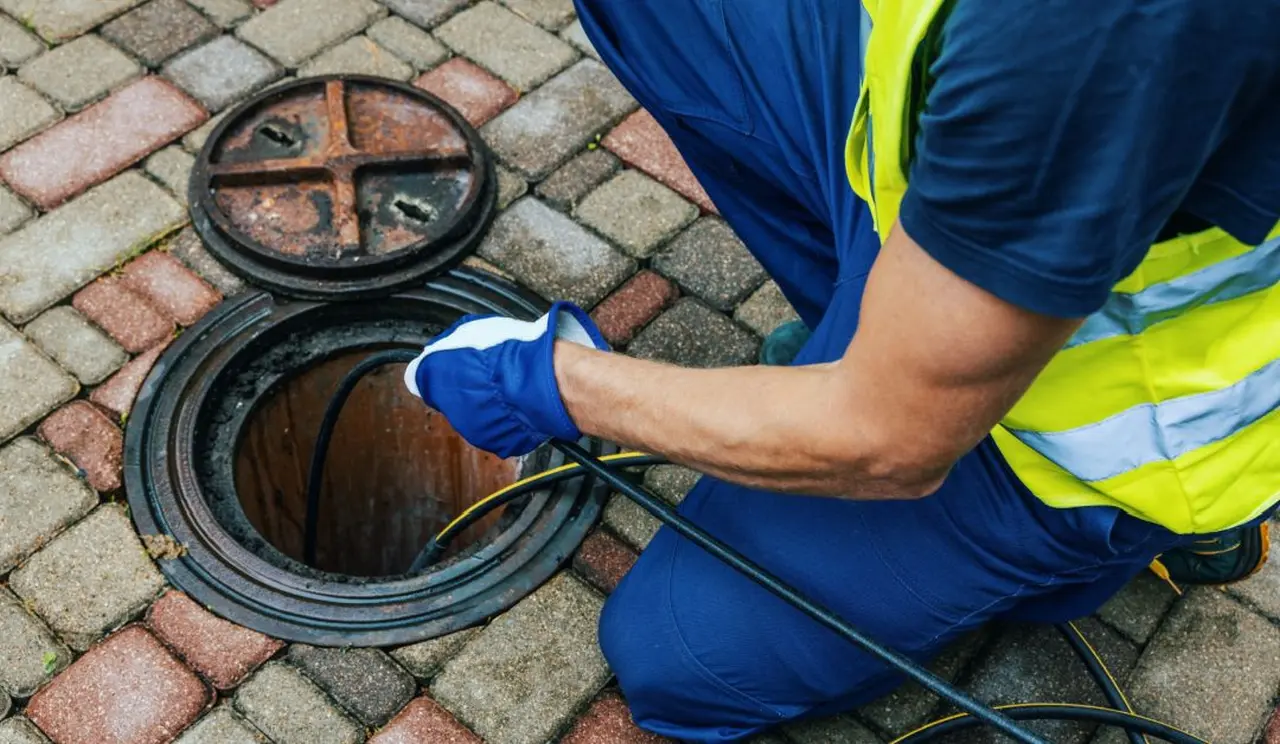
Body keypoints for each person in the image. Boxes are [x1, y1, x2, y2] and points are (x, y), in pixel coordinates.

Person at [404, 0, 1280, 740]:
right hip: (969, 182)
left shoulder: (1096, 33)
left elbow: (886, 441)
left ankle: (1108, 554)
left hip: (1076, 443)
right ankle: (897, 330)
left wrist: (557, 384)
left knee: (675, 658)